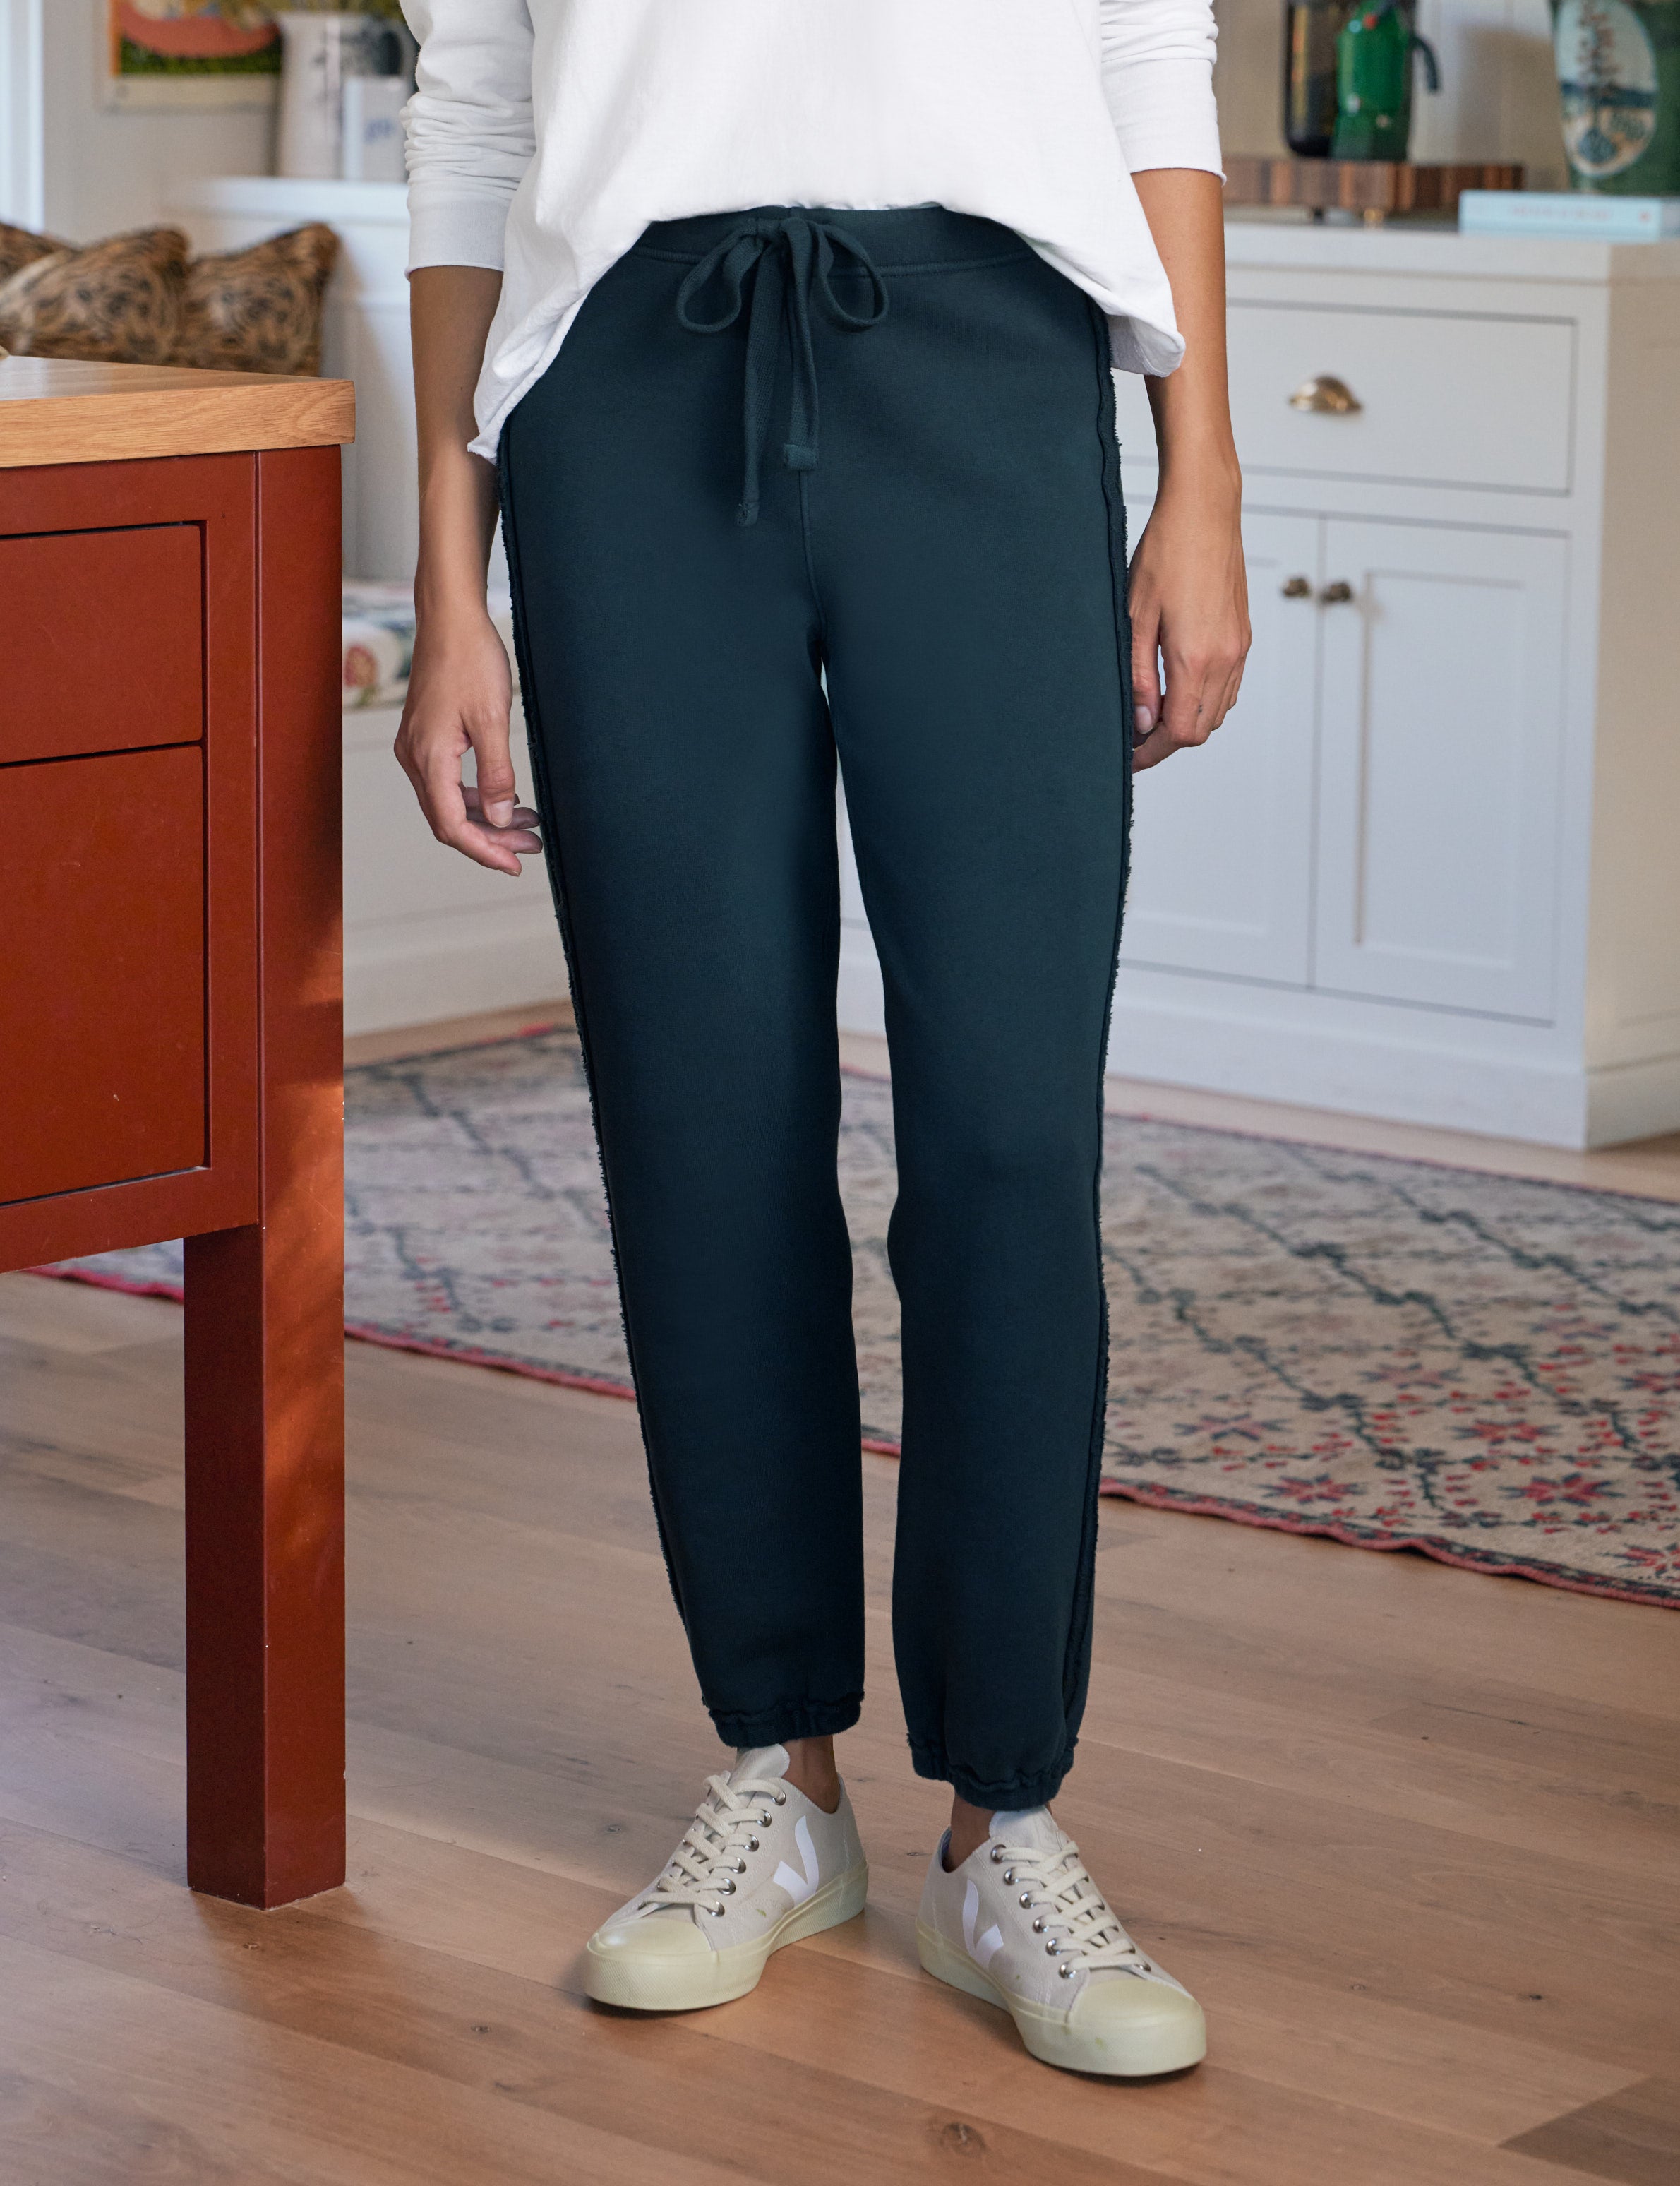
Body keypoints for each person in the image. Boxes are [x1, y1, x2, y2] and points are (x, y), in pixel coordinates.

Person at [395, 0, 1249, 2078]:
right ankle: (778, 1779)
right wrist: (448, 581)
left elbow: (1149, 51)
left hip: (990, 365)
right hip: (619, 392)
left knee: (1008, 1140)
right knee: (703, 1118)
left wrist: (1200, 471)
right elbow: (475, 117)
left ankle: (1001, 1819)